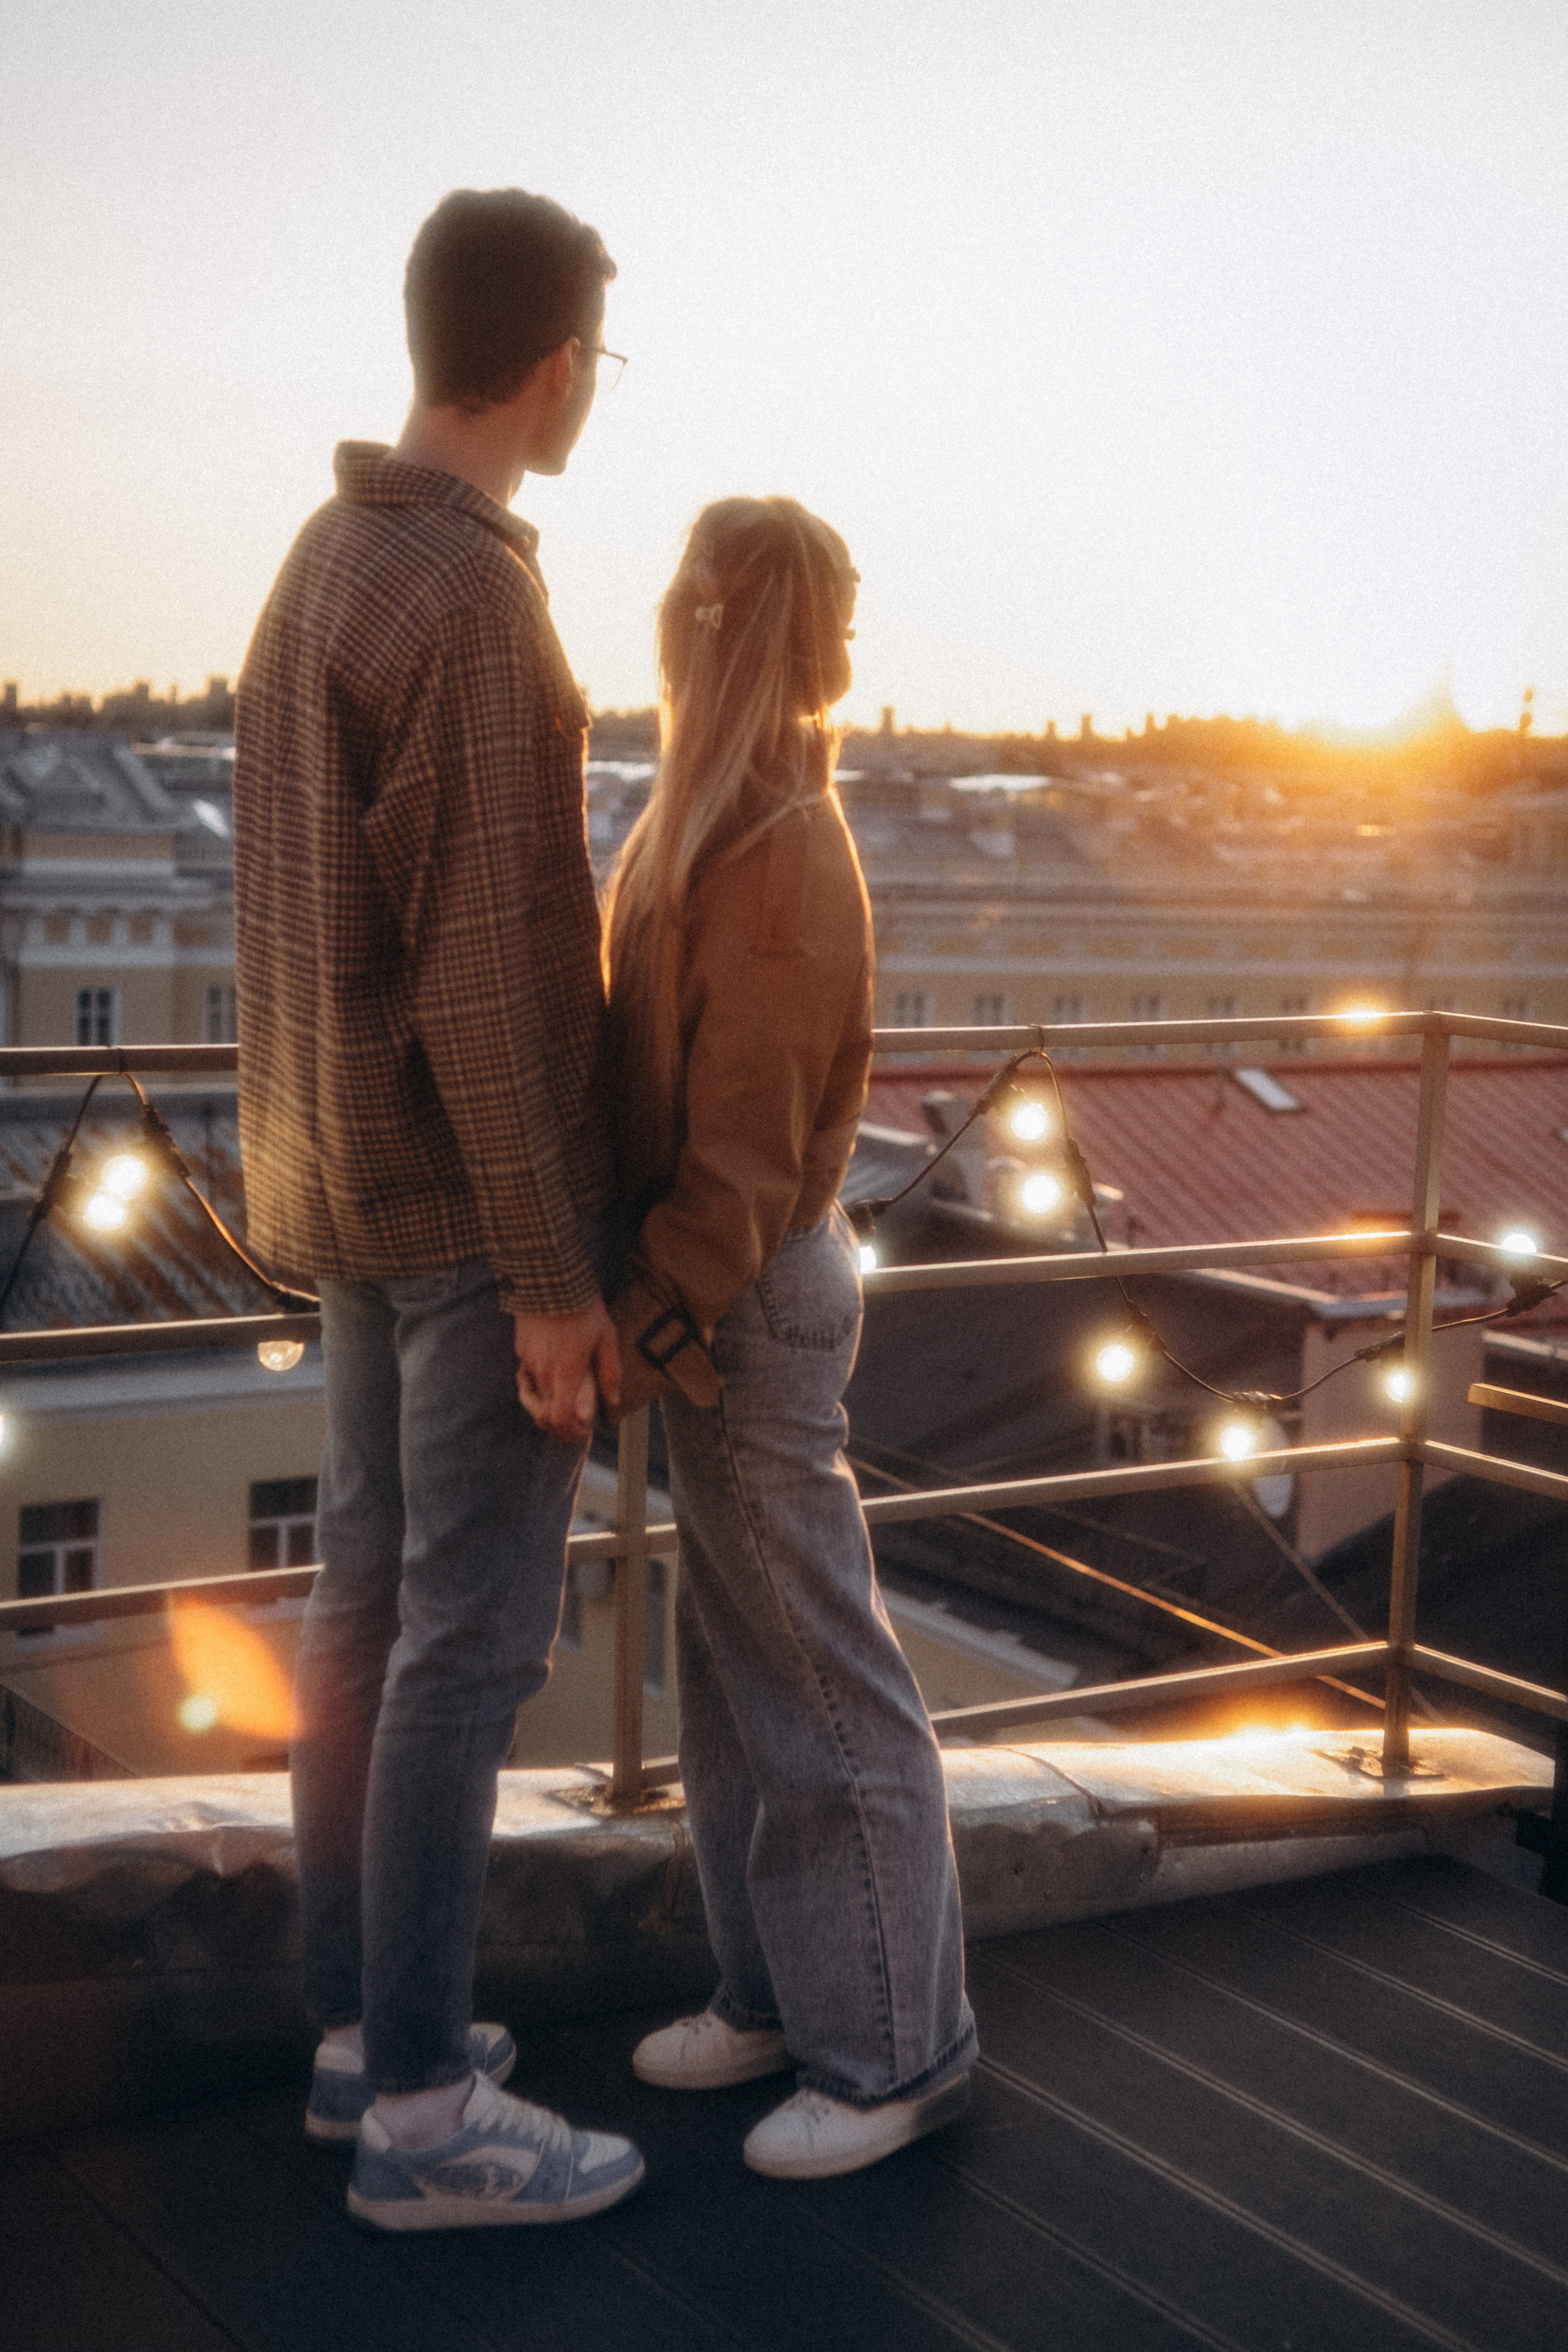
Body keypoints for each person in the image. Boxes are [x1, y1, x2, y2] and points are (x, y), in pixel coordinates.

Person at [233, 187, 643, 2231]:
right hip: (472, 1218)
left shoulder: (321, 563)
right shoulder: (476, 602)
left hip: (344, 1192)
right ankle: (419, 2118)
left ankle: (352, 2036)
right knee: (462, 1651)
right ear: (555, 363)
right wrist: (558, 1277)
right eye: (603, 362)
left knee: (364, 1617)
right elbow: (490, 974)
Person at [602, 497, 976, 2180]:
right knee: (742, 1688)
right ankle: (776, 2000)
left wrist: (641, 1315)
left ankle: (899, 2050)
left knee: (823, 1688)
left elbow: (746, 1152)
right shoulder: (713, 817)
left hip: (743, 1304)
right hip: (721, 1303)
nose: (675, 614)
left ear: (722, 627)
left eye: (696, 598)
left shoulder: (773, 851)